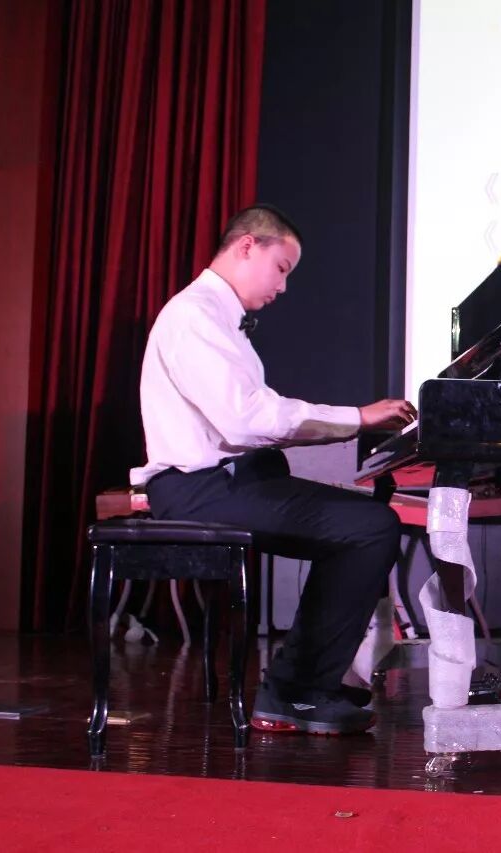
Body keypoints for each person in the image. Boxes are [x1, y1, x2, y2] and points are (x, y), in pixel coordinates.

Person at [130, 204, 415, 735]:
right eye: (281, 268)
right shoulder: (193, 316)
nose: (283, 287)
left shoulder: (215, 318)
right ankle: (296, 691)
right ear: (247, 246)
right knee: (369, 527)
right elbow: (245, 420)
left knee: (361, 519)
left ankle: (308, 679)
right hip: (199, 489)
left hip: (227, 480)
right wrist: (357, 418)